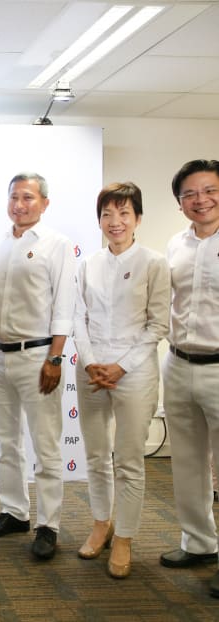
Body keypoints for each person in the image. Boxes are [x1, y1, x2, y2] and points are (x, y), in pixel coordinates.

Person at [0, 172, 75, 560]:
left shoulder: (57, 244)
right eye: (14, 197)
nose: (20, 204)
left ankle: (48, 524)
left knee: (46, 446)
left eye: (28, 198)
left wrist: (55, 356)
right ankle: (14, 511)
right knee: (7, 442)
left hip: (38, 357)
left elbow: (65, 305)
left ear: (44, 203)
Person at [73, 182, 170, 578]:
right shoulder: (88, 263)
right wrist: (94, 361)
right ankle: (101, 523)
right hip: (92, 370)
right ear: (99, 220)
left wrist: (121, 366)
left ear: (138, 219)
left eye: (124, 213)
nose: (115, 222)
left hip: (135, 371)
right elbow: (77, 316)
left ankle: (126, 536)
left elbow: (157, 323)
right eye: (107, 215)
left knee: (128, 459)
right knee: (96, 456)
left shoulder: (154, 262)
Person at [158, 159, 219, 598]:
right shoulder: (174, 246)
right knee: (188, 463)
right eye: (190, 194)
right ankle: (198, 543)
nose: (201, 200)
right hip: (178, 364)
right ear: (180, 204)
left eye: (209, 190)